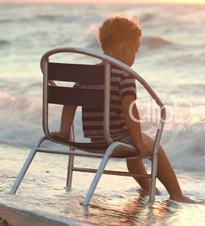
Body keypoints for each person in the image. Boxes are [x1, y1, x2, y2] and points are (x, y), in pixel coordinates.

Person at [53, 17, 195, 203]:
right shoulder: (124, 75)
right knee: (154, 148)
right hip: (116, 138)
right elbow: (130, 110)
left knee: (135, 155)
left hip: (97, 138)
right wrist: (138, 141)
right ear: (125, 49)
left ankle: (150, 189)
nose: (134, 57)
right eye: (135, 51)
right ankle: (176, 194)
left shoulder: (87, 75)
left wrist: (64, 131)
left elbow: (70, 101)